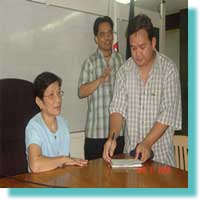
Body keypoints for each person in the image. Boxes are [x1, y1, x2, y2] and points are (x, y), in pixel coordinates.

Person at [103, 14, 182, 167]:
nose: (137, 54)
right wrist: (112, 137)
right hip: (131, 160)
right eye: (133, 48)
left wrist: (147, 143)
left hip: (161, 161)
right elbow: (117, 109)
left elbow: (168, 113)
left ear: (153, 42)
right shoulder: (124, 71)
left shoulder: (168, 70)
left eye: (142, 47)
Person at [78, 16, 125, 160]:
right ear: (96, 39)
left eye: (109, 33)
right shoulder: (90, 62)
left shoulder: (121, 60)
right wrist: (99, 80)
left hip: (118, 134)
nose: (107, 38)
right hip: (95, 133)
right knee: (94, 179)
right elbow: (81, 92)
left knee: (118, 179)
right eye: (102, 34)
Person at [25, 72, 87, 173]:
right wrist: (63, 159)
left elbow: (65, 162)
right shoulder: (34, 126)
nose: (58, 99)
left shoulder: (63, 123)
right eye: (51, 95)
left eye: (59, 93)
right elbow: (35, 165)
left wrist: (70, 161)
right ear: (39, 102)